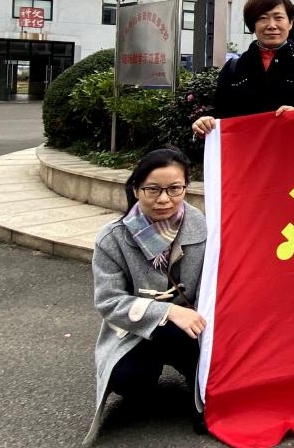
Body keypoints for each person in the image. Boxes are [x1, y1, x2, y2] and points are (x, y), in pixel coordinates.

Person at [87, 147, 207, 442]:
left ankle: (202, 390)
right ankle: (148, 372)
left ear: (186, 187)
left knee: (189, 343)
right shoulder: (112, 238)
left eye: (175, 188)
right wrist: (167, 311)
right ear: (136, 188)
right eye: (152, 189)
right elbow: (109, 301)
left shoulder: (205, 226)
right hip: (136, 331)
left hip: (194, 330)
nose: (164, 199)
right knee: (128, 381)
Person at [191, 0, 294, 138]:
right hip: (246, 150)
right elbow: (219, 114)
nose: (271, 25)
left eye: (278, 18)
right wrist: (205, 123)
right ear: (252, 24)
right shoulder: (233, 68)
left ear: (290, 23)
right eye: (263, 18)